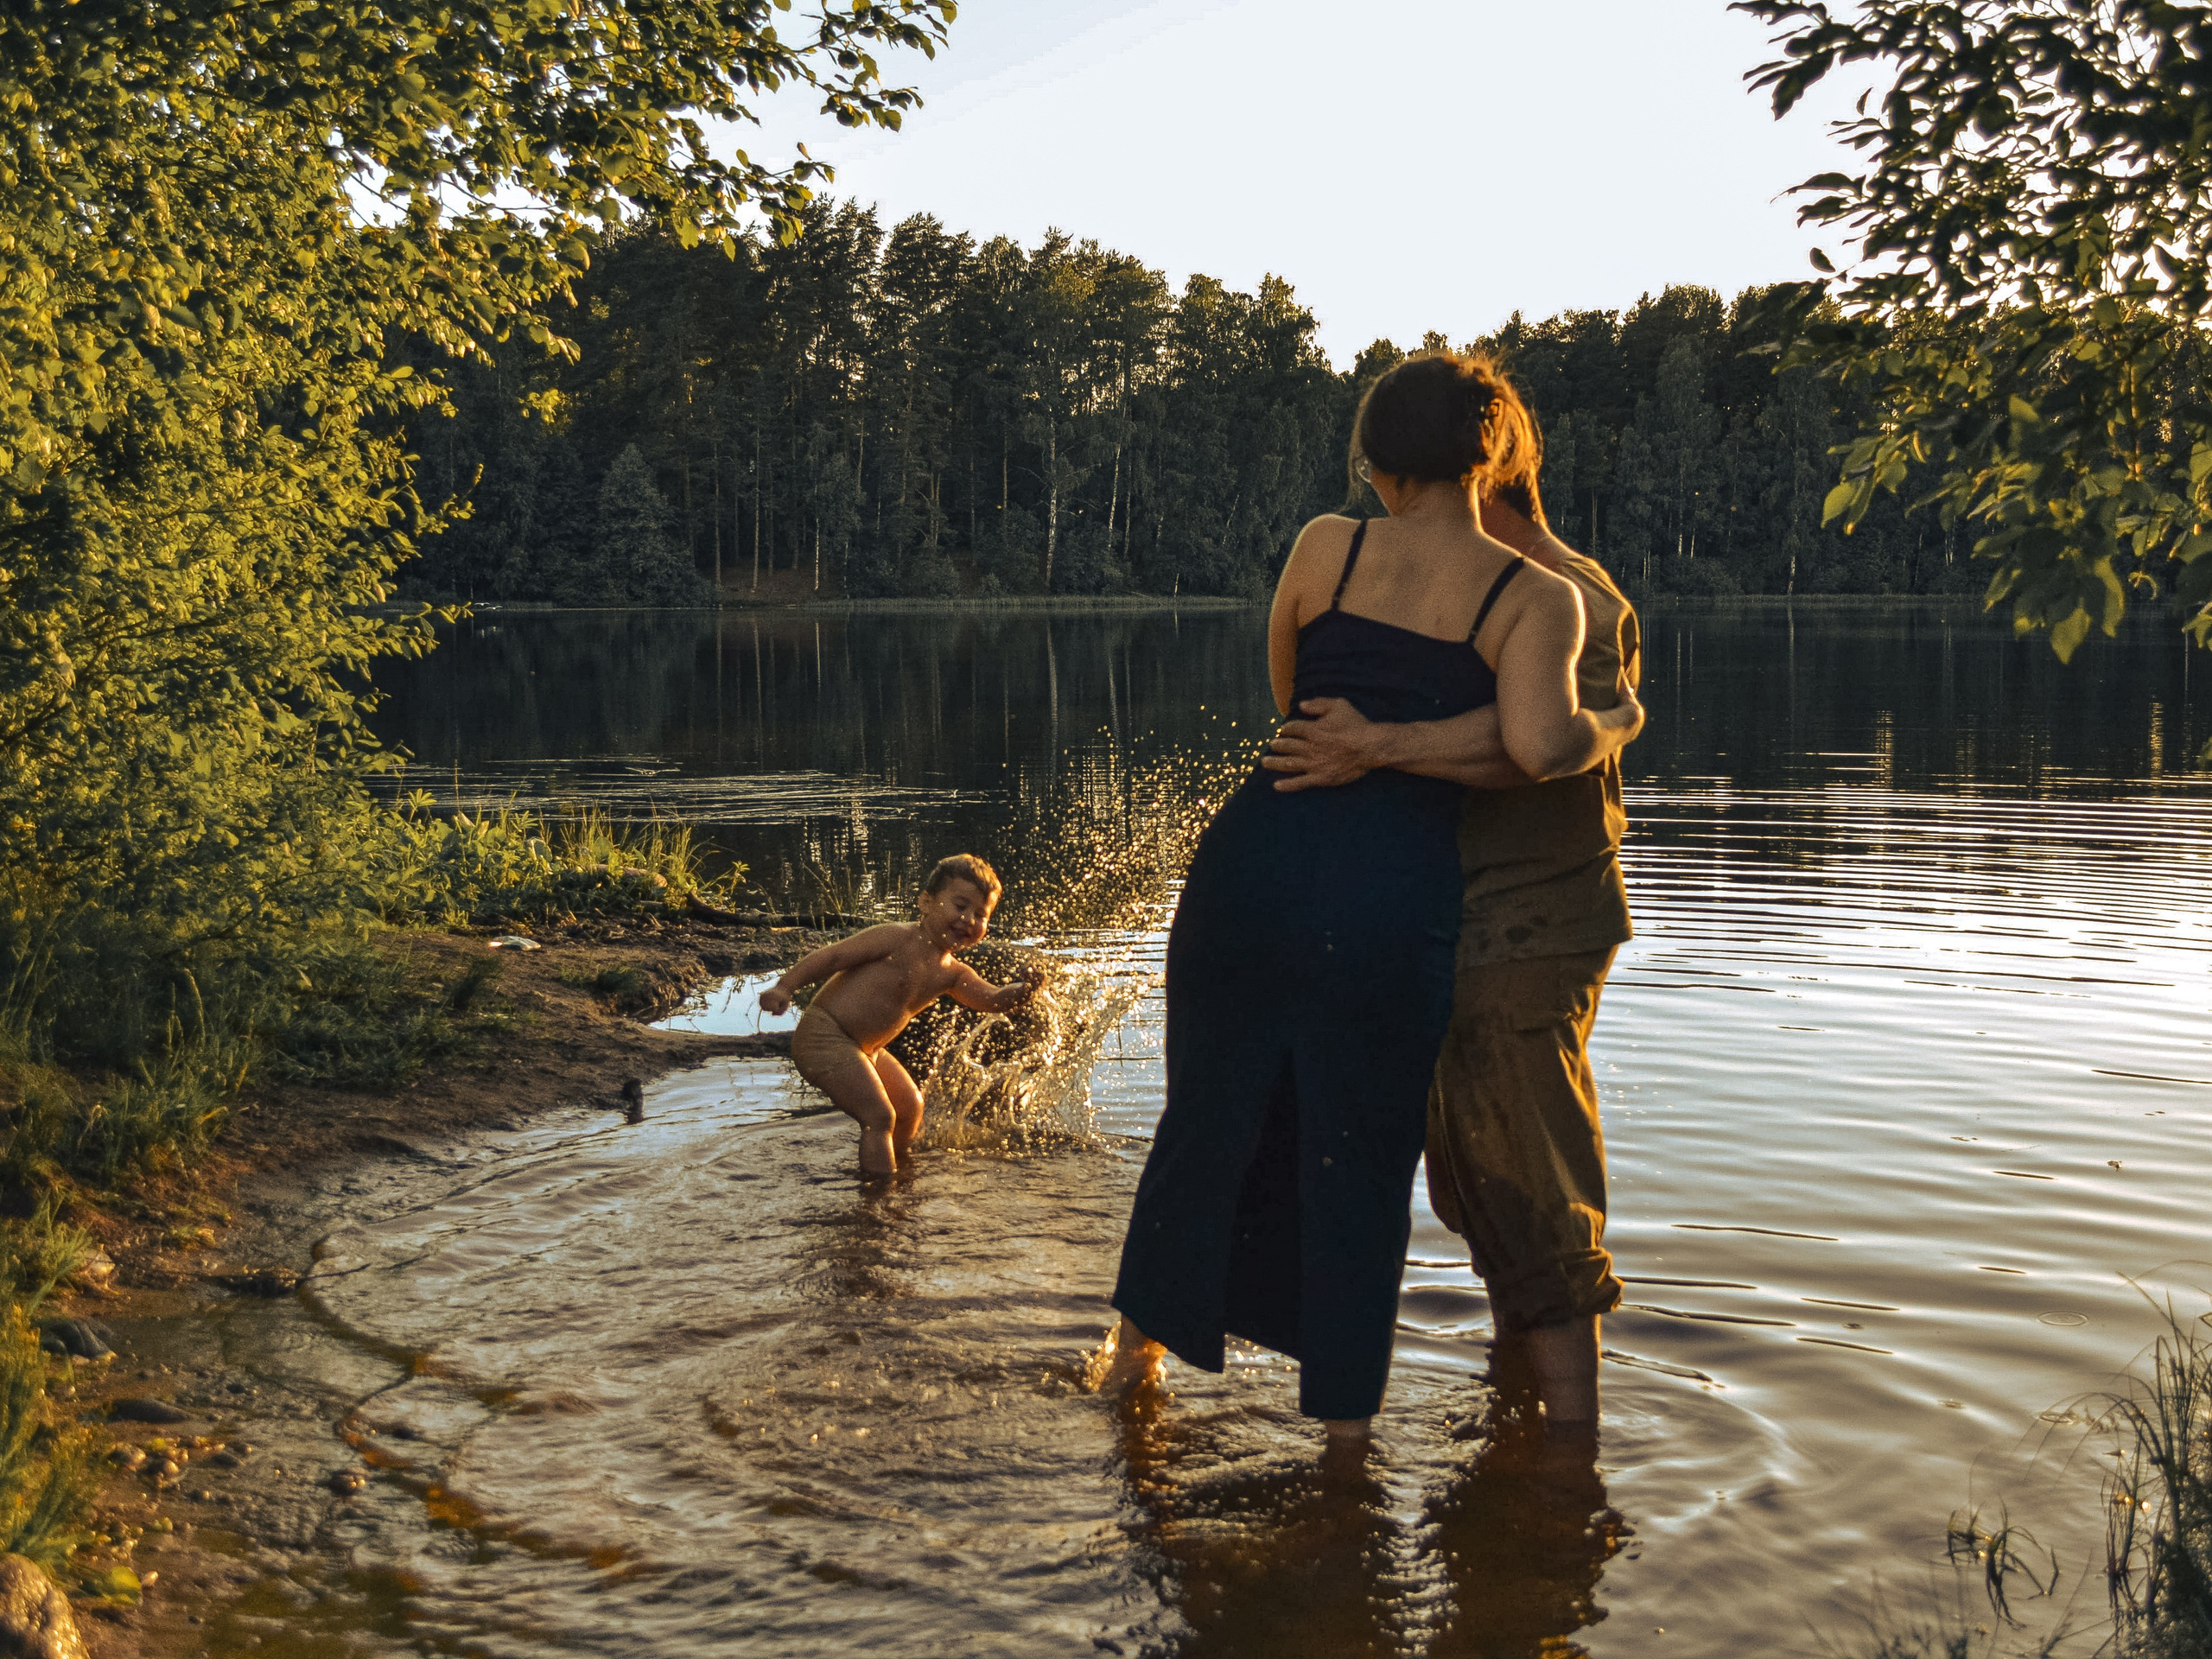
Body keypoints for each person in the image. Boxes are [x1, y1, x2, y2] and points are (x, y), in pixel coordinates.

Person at [1098, 353, 1645, 1444]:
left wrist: (1374, 746)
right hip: (1395, 906)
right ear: (1486, 457)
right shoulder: (1513, 590)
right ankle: (1399, 1456)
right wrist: (1606, 720)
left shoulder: (1550, 591)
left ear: (1379, 461)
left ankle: (1552, 1459)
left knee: (1506, 1186)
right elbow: (1535, 739)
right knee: (1359, 1164)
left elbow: (1308, 708)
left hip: (1480, 922)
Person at [1262, 457, 1641, 1447]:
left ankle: (1567, 1470)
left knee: (1527, 1173)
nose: (1390, 513)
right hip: (1437, 925)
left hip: (1526, 933)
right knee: (1468, 1181)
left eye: (1402, 488)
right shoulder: (1456, 592)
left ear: (1485, 481)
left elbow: (1528, 743)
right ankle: (1517, 1428)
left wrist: (1374, 745)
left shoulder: (1576, 600)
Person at [760, 854, 1035, 1176]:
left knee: (909, 1109)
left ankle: (897, 1171)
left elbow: (993, 999)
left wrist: (1026, 987)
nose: (968, 920)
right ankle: (878, 1195)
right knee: (879, 1117)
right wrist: (785, 987)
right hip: (826, 1035)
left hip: (866, 1049)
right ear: (926, 902)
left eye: (980, 914)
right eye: (960, 906)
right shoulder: (897, 937)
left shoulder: (954, 973)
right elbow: (833, 957)